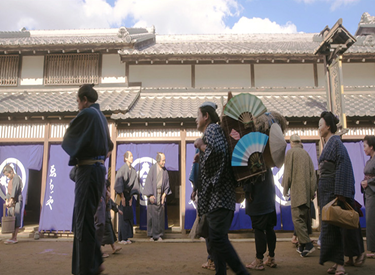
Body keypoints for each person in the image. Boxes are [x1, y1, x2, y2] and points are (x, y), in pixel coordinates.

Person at [62, 84, 113, 275]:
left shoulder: (88, 114)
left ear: (84, 99)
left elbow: (68, 138)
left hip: (88, 170)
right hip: (98, 170)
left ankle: (85, 268)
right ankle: (96, 259)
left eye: (78, 101)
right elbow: (110, 145)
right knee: (87, 219)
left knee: (82, 221)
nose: (78, 106)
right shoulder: (101, 117)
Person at [195, 101, 249, 275]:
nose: (196, 120)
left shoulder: (211, 130)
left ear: (206, 116)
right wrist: (202, 153)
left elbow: (217, 152)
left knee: (217, 238)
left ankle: (242, 272)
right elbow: (216, 152)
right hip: (218, 198)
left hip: (219, 196)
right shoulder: (214, 131)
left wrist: (201, 145)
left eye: (198, 116)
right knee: (216, 238)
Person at [318, 111, 364, 275]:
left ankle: (340, 265)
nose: (319, 128)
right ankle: (337, 262)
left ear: (328, 126)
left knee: (336, 228)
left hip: (333, 191)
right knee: (329, 228)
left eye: (320, 125)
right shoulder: (329, 143)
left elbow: (343, 168)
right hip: (327, 190)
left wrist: (340, 192)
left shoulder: (336, 144)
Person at [282, 134, 317, 257]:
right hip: (307, 192)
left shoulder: (290, 153)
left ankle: (307, 244)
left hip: (297, 191)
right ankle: (302, 246)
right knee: (303, 218)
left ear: (291, 143)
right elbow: (313, 174)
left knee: (297, 219)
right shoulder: (306, 154)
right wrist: (312, 191)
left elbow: (288, 174)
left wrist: (285, 189)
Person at [245, 169, 277, 270]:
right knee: (269, 228)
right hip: (269, 200)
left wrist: (247, 192)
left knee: (258, 229)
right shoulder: (267, 161)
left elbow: (248, 183)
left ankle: (259, 261)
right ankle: (271, 258)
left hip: (257, 200)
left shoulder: (250, 160)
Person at [144, 152, 171, 241]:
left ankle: (159, 235)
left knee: (160, 216)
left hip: (160, 195)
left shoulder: (165, 171)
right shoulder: (152, 169)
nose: (164, 162)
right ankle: (152, 235)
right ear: (158, 160)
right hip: (153, 195)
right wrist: (150, 195)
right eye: (163, 160)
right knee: (152, 216)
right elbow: (148, 183)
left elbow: (167, 184)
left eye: (165, 161)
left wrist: (164, 195)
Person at [114, 151, 140, 244]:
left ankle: (127, 237)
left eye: (132, 156)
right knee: (122, 215)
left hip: (129, 195)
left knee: (129, 216)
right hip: (122, 195)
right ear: (126, 158)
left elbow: (135, 186)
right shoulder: (122, 170)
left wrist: (131, 197)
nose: (132, 158)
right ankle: (121, 238)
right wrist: (122, 197)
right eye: (130, 156)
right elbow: (118, 184)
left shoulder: (133, 171)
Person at [361, 135, 375, 259]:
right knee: (370, 221)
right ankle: (373, 248)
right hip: (369, 193)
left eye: (365, 146)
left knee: (372, 220)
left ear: (371, 146)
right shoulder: (370, 160)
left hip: (373, 193)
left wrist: (369, 182)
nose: (364, 149)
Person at [2, 164, 23, 244]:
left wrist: (11, 200)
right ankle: (12, 236)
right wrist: (7, 200)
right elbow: (9, 192)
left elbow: (14, 190)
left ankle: (15, 237)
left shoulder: (16, 178)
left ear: (11, 171)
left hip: (17, 200)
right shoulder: (10, 180)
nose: (8, 176)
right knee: (11, 217)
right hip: (12, 200)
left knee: (16, 217)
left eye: (8, 175)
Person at [102, 180, 122, 257]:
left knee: (110, 234)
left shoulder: (107, 196)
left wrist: (118, 210)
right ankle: (99, 251)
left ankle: (114, 247)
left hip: (107, 218)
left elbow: (112, 205)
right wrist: (107, 198)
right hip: (102, 219)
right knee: (101, 236)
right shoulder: (103, 196)